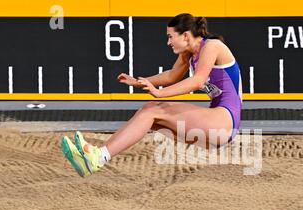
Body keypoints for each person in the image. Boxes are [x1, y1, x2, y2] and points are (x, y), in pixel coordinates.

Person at [61, 13, 243, 177]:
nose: (168, 42)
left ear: (186, 35)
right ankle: (96, 158)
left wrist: (160, 93)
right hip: (216, 125)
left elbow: (197, 81)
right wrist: (139, 82)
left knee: (152, 110)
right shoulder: (188, 54)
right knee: (149, 114)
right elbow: (172, 76)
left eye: (171, 37)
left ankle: (98, 158)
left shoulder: (212, 46)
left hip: (225, 122)